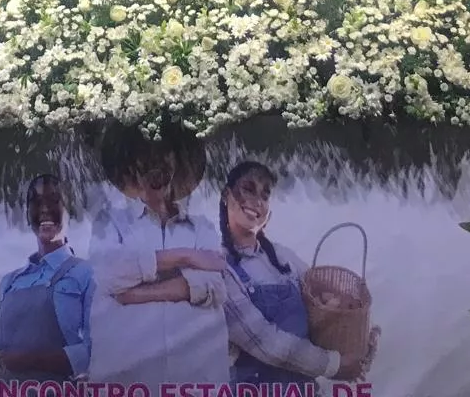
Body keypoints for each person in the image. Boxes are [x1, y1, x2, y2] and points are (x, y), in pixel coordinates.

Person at [88, 124, 228, 391]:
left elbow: (215, 285)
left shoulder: (203, 227)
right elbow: (110, 276)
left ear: (176, 163)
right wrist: (185, 256)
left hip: (198, 380)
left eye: (165, 156)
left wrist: (134, 293)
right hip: (128, 381)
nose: (157, 165)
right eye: (146, 156)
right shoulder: (110, 223)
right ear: (131, 167)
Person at [220, 162, 376, 385]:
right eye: (248, 189)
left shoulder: (283, 257)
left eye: (265, 195)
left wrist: (358, 341)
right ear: (227, 195)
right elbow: (265, 343)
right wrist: (334, 365)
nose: (258, 201)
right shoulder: (218, 266)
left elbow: (327, 305)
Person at [0, 175, 93, 382]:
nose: (44, 209)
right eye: (36, 202)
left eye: (54, 200)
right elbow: (2, 369)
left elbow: (92, 355)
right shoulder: (9, 283)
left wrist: (31, 360)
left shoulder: (85, 273)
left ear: (69, 210)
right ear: (27, 215)